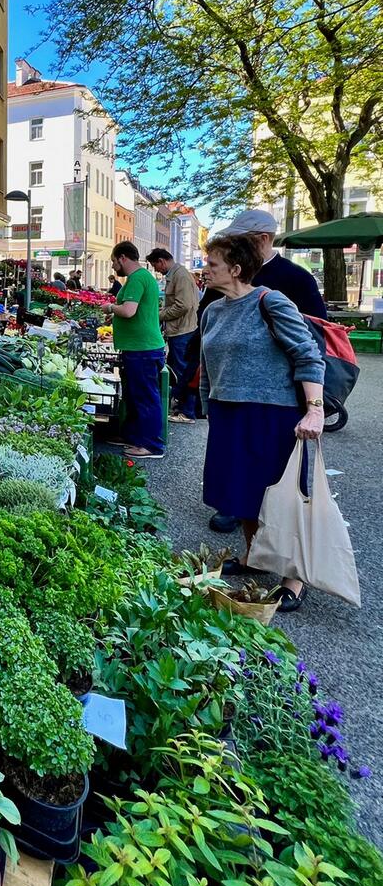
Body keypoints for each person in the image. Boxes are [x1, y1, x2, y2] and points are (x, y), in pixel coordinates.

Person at [199, 233, 325, 612]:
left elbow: (308, 355)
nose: (205, 270)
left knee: (282, 498)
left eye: (212, 264)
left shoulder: (271, 302)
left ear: (236, 270)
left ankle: (294, 577)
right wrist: (209, 405)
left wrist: (315, 409)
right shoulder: (213, 311)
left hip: (273, 414)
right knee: (241, 494)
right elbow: (208, 364)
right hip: (229, 412)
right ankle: (255, 556)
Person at [102, 241, 166, 458]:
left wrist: (110, 307)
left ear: (122, 258)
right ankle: (132, 436)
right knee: (134, 395)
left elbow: (129, 311)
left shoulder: (138, 278)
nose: (113, 266)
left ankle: (151, 445)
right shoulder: (139, 278)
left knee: (145, 397)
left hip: (143, 349)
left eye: (113, 261)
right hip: (138, 347)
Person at [222, 209, 327, 319]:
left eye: (238, 239)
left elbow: (317, 327)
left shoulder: (298, 278)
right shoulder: (225, 272)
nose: (232, 244)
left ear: (263, 239)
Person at [146, 248, 200, 424]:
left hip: (182, 330)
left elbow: (182, 305)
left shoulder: (180, 275)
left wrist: (159, 315)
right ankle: (179, 408)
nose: (156, 270)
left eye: (155, 266)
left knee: (184, 371)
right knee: (177, 370)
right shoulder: (178, 274)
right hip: (180, 329)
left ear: (162, 261)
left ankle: (187, 412)